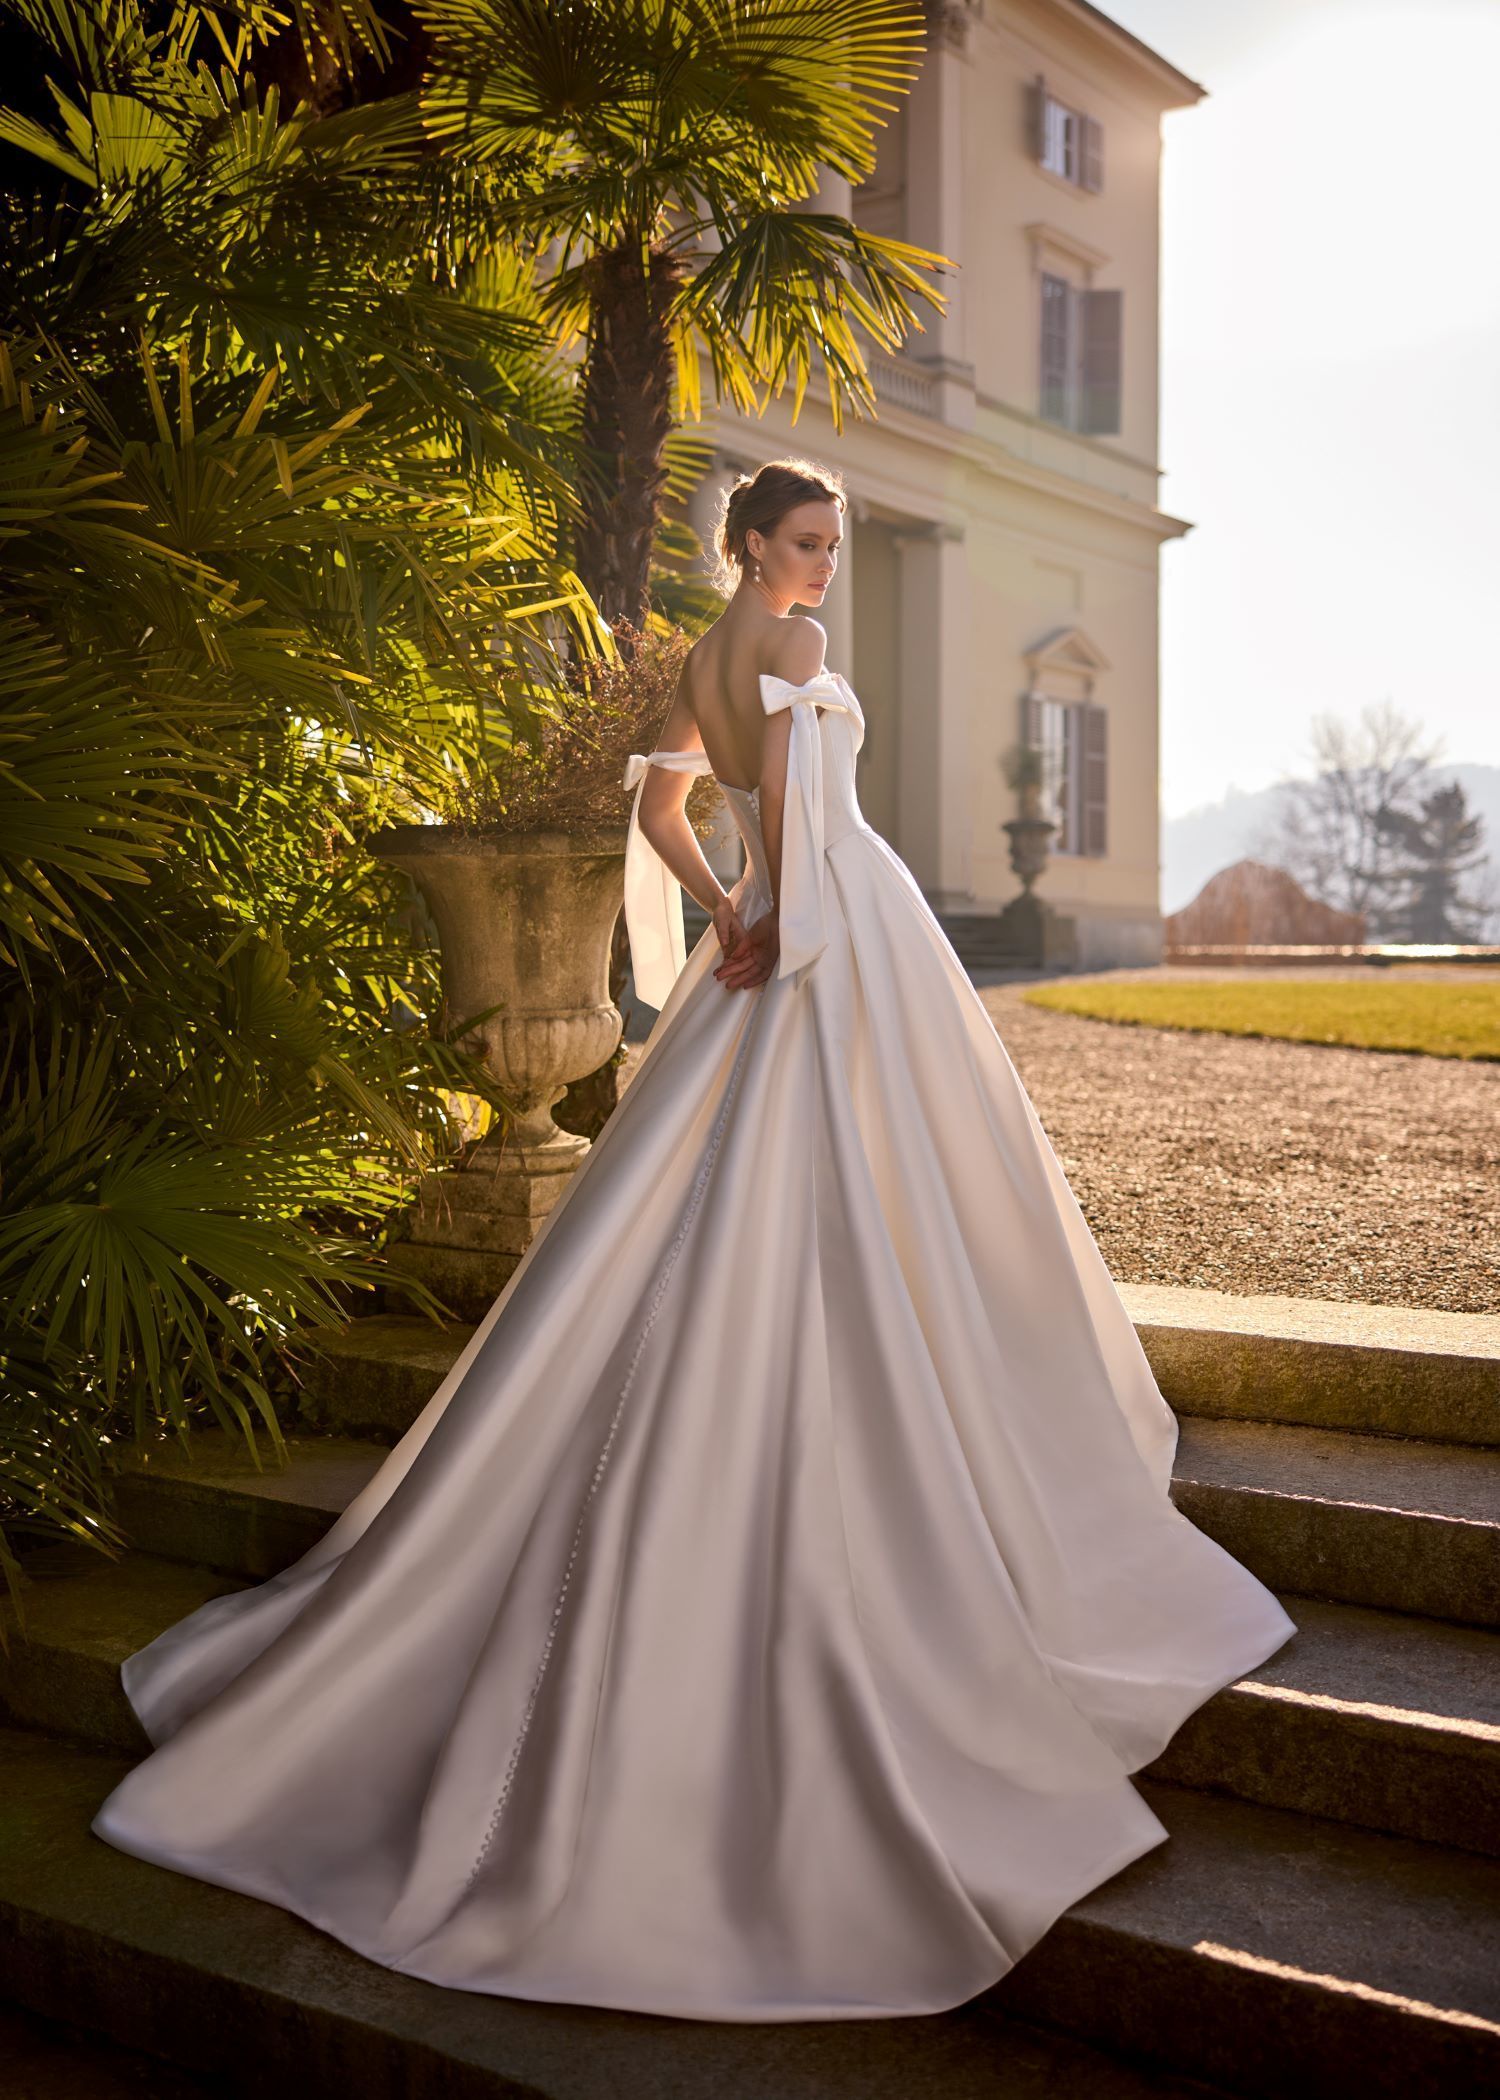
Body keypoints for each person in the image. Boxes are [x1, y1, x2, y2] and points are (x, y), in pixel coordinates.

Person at [92, 456, 1296, 2023]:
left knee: (796, 1195)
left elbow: (658, 804)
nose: (826, 568)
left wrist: (727, 902)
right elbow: (788, 808)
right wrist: (786, 913)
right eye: (806, 542)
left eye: (837, 544)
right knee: (891, 1185)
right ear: (746, 543)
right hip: (835, 928)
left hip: (783, 927)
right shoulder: (784, 651)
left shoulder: (702, 656)